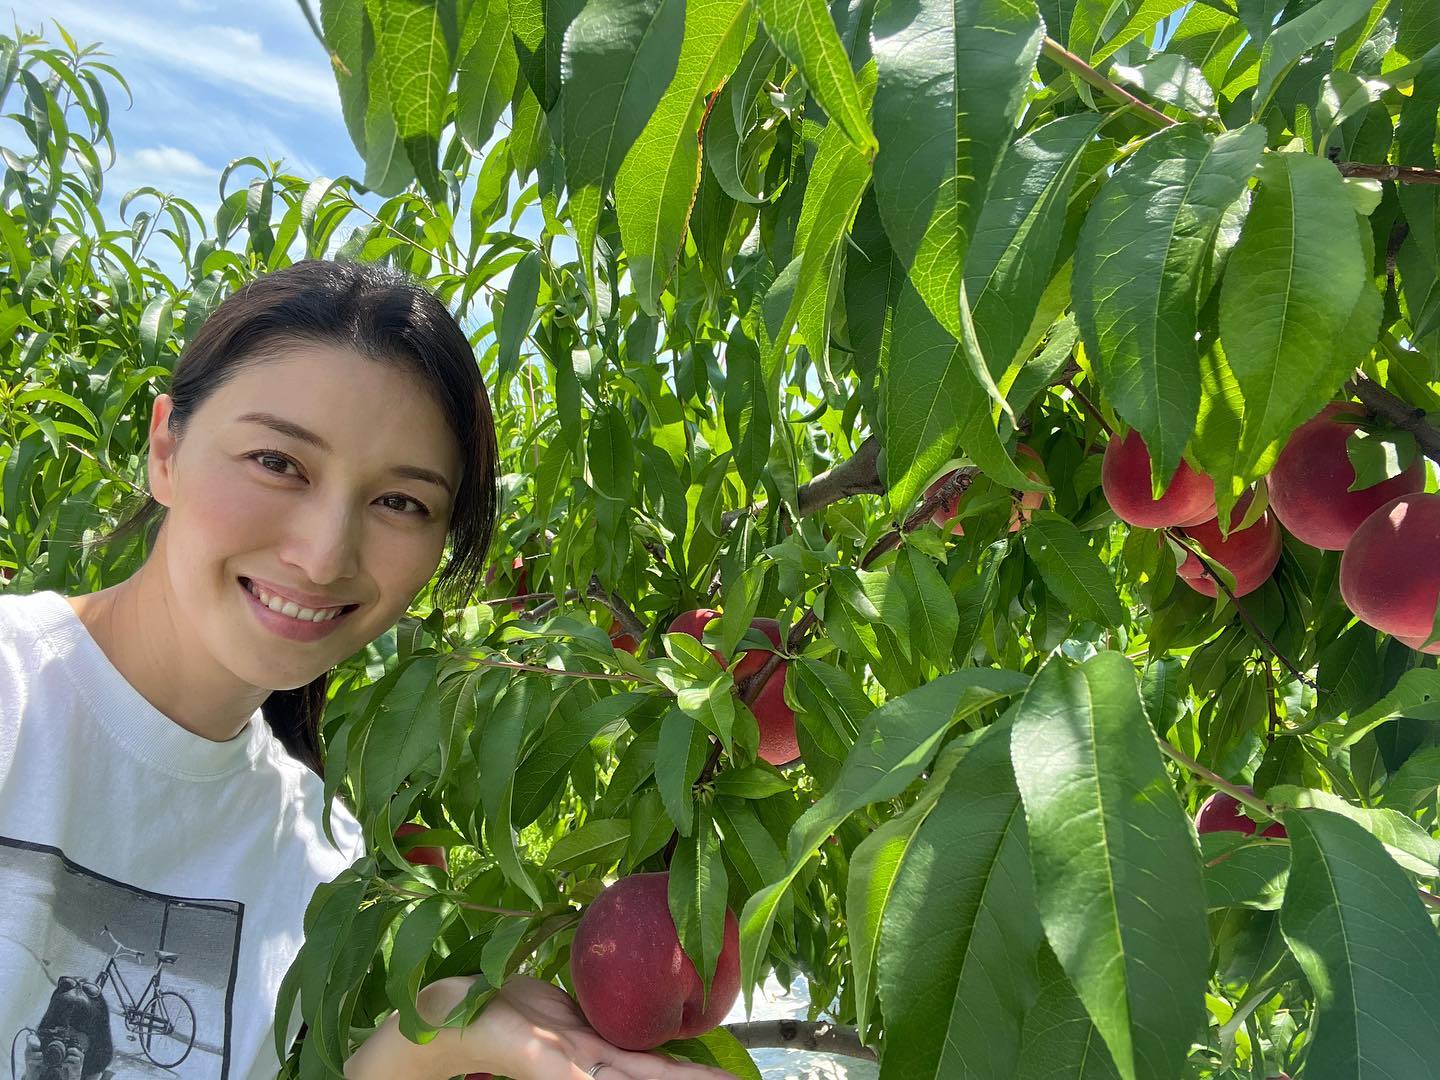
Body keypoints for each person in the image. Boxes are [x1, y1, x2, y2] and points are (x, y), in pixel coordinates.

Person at [0, 260, 736, 1080]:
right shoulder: (14, 692)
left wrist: (436, 1033)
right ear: (165, 447)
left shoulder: (320, 854)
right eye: (277, 461)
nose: (323, 556)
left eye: (401, 503)